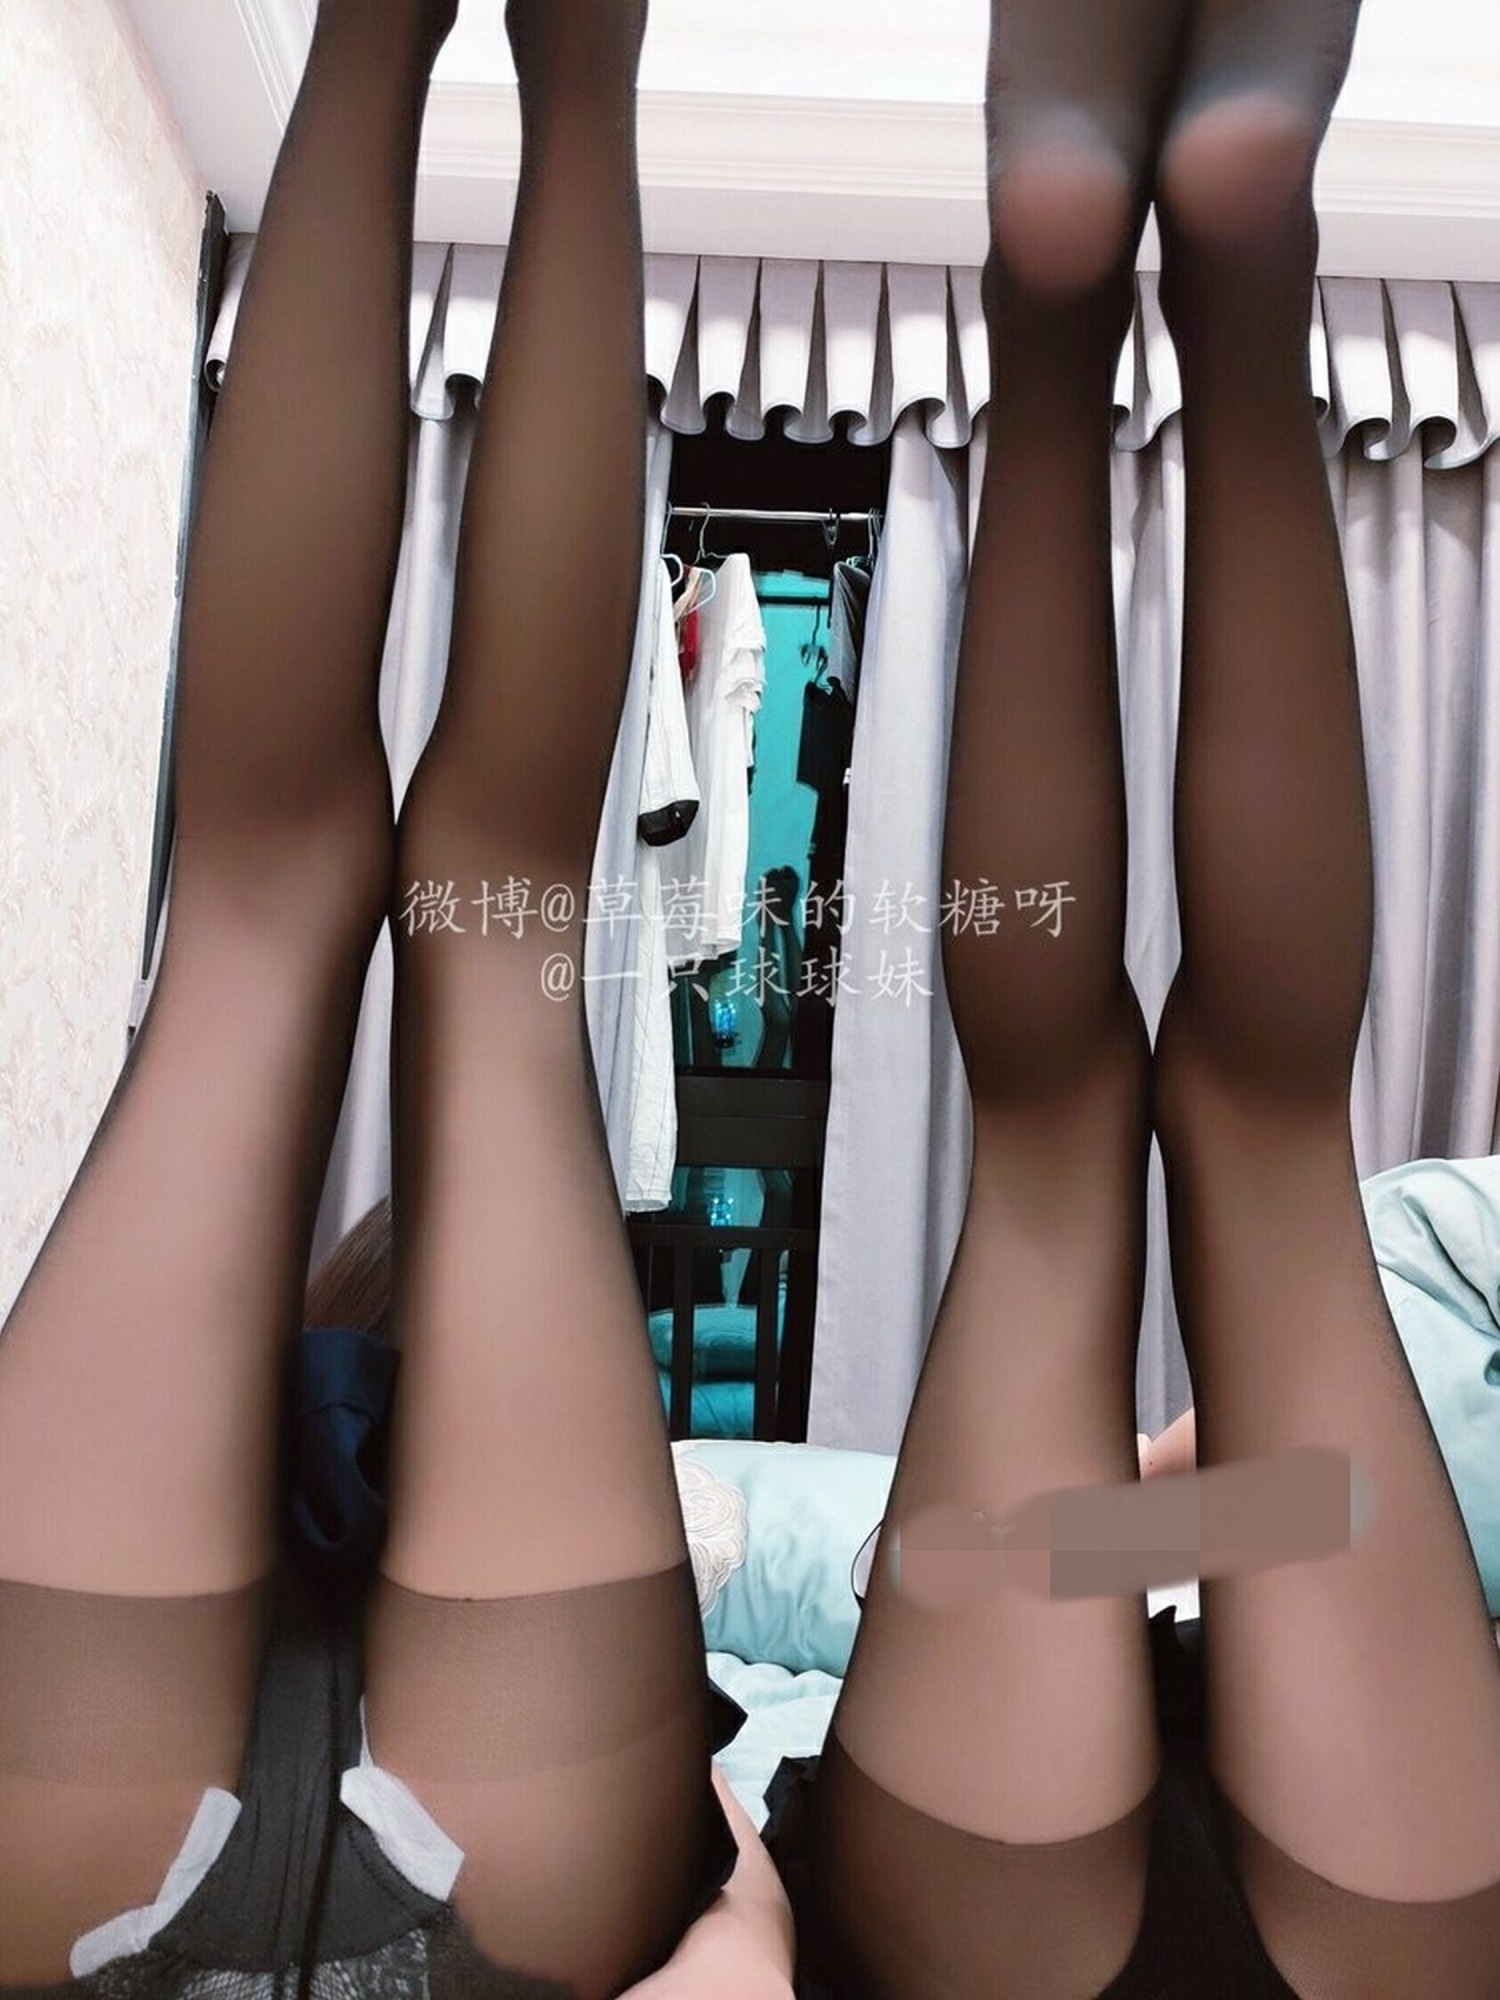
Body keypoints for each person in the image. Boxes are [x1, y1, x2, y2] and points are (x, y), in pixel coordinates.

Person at [0, 2, 792, 1993]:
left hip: (445, 1831)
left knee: (355, 918)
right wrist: (753, 1917)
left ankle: (495, 46)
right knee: (367, 918)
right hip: (258, 1836)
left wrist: (744, 1925)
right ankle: (554, 53)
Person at [752, 2, 1500, 1995]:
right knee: (1119, 1151)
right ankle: (1134, 298)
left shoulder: (1463, 1247)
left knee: (1172, 1145)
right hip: (1351, 1696)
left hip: (1294, 1804)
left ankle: (1141, 302)